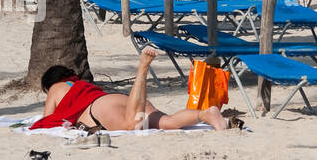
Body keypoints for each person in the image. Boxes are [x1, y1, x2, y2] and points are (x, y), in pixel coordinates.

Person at [38, 48, 228, 132]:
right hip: (117, 99)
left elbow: (47, 120)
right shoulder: (82, 85)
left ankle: (142, 68)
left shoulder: (56, 88)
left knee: (131, 124)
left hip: (100, 109)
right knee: (167, 122)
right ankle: (206, 114)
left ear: (51, 82)